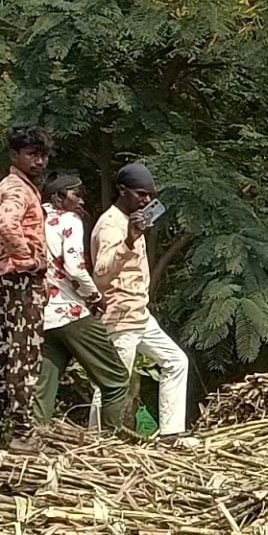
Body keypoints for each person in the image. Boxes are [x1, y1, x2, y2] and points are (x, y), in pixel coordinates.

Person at [92, 162, 194, 447]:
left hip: (140, 315)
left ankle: (172, 434)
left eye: (150, 195)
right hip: (120, 318)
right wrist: (128, 240)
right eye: (140, 194)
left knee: (176, 362)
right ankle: (96, 441)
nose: (147, 200)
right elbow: (100, 274)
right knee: (113, 383)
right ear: (122, 191)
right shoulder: (111, 225)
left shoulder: (133, 221)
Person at [35, 171, 132, 433]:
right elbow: (75, 268)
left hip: (43, 316)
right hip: (70, 312)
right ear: (58, 197)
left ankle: (32, 440)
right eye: (76, 194)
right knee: (116, 380)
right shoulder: (69, 220)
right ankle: (113, 444)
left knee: (45, 387)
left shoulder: (37, 220)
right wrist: (95, 297)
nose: (81, 202)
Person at [0, 125, 56, 450]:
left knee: (1, 355)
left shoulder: (18, 186)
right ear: (15, 155)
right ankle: (22, 431)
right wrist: (27, 258)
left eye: (42, 155)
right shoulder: (17, 190)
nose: (39, 161)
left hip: (5, 278)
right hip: (21, 279)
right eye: (31, 154)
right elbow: (6, 224)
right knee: (22, 355)